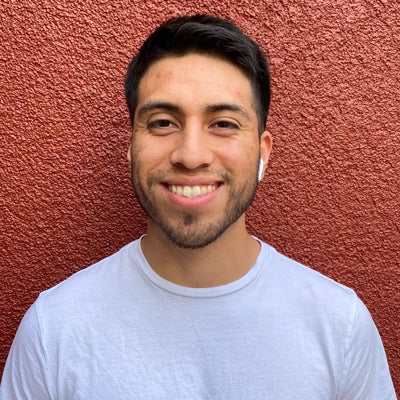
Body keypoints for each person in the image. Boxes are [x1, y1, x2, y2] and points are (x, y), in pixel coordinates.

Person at [0, 14, 396, 400]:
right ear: (130, 148)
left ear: (262, 153)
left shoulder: (340, 326)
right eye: (162, 123)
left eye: (223, 123)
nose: (190, 155)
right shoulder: (53, 330)